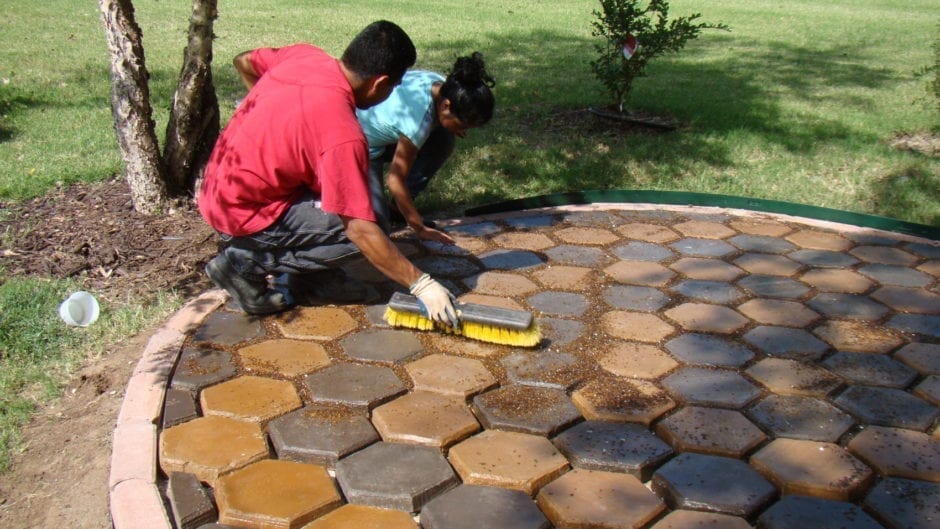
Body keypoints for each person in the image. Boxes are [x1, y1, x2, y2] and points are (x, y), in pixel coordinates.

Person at [197, 20, 458, 327]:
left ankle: (311, 282)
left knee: (347, 203)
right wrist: (421, 284)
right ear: (380, 83)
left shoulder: (303, 56)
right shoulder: (342, 135)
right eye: (394, 87)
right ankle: (243, 264)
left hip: (217, 186)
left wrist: (274, 112)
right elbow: (359, 231)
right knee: (366, 227)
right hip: (243, 212)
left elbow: (244, 60)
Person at [357, 52, 495, 243]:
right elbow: (395, 179)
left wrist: (453, 126)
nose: (464, 132)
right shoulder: (417, 122)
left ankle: (399, 207)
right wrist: (418, 226)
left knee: (443, 138)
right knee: (377, 229)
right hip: (362, 146)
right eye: (462, 125)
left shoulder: (441, 84)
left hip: (384, 126)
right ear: (446, 106)